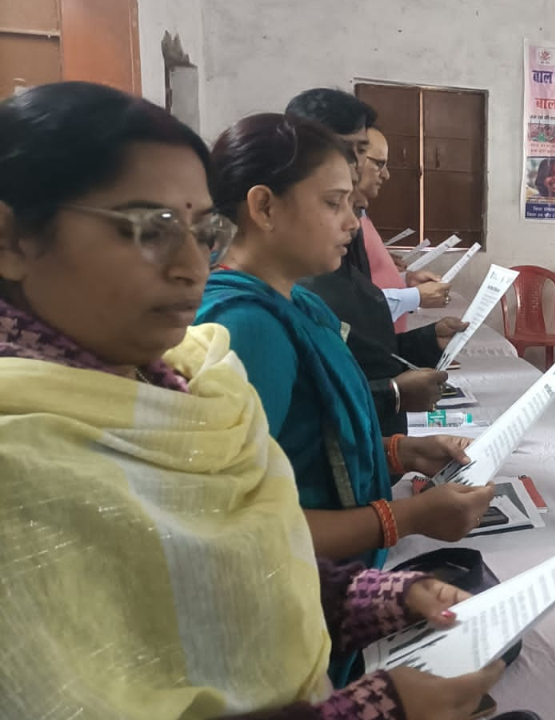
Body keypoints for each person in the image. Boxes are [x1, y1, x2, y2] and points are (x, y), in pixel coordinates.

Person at [0, 80, 501, 720]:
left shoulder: (186, 375)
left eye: (200, 228)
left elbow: (227, 561)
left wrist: (374, 595)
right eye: (150, 228)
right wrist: (378, 709)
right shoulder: (24, 467)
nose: (191, 264)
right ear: (14, 240)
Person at [197, 112, 495, 571]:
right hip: (302, 588)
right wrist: (404, 518)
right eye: (334, 204)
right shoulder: (243, 326)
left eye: (352, 206)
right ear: (265, 207)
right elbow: (232, 519)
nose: (352, 225)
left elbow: (311, 438)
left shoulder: (301, 304)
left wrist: (403, 451)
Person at [285, 88, 462, 434]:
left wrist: (423, 343)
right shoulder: (284, 289)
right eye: (356, 152)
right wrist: (392, 393)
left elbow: (356, 341)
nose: (352, 223)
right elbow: (303, 416)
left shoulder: (334, 245)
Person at [360, 126, 447, 333]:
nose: (387, 175)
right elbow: (351, 307)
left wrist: (405, 280)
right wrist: (415, 296)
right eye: (379, 164)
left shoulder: (359, 214)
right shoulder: (338, 225)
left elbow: (368, 282)